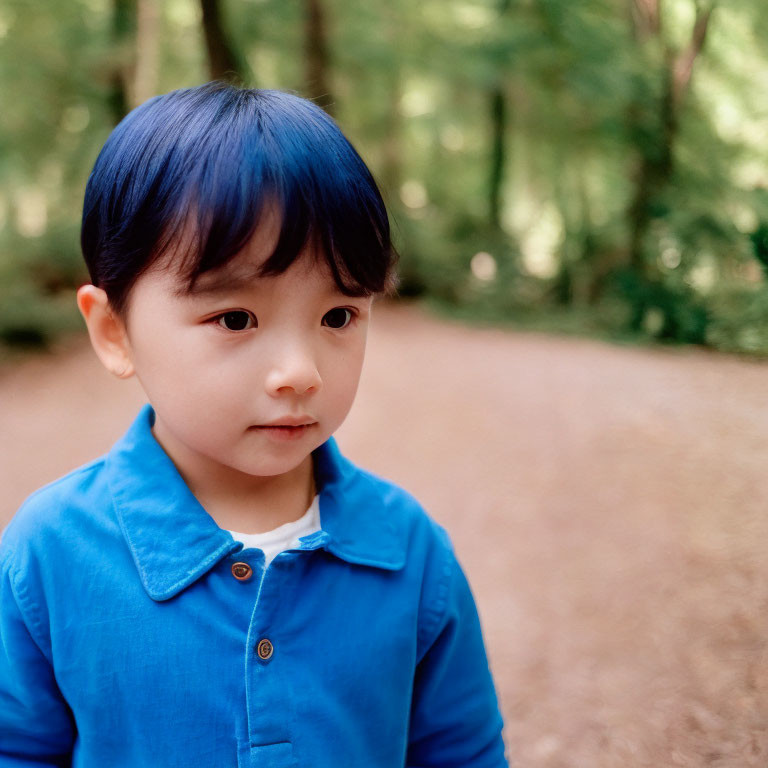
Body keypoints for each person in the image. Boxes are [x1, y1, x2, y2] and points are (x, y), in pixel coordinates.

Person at [0, 82, 509, 767]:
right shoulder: (51, 554)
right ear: (114, 330)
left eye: (338, 316)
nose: (301, 372)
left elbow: (462, 753)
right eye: (235, 318)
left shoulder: (409, 554)